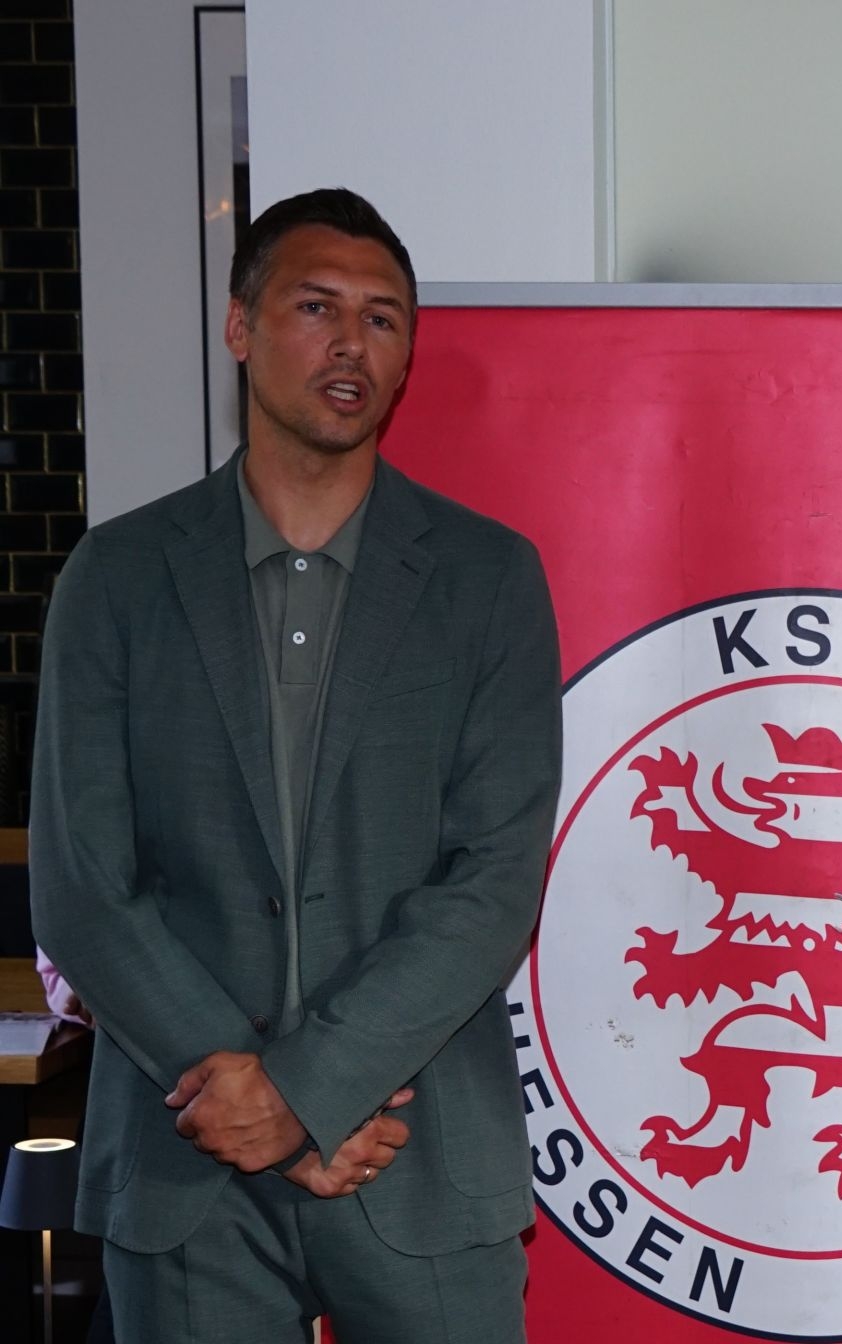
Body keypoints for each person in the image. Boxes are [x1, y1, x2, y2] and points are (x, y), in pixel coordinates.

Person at [30, 188, 562, 1344]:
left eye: (382, 319)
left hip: (419, 1154)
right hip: (185, 1157)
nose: (351, 343)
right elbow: (81, 887)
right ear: (240, 325)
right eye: (316, 307)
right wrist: (246, 1100)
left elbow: (492, 883)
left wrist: (304, 1094)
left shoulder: (489, 580)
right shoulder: (116, 579)